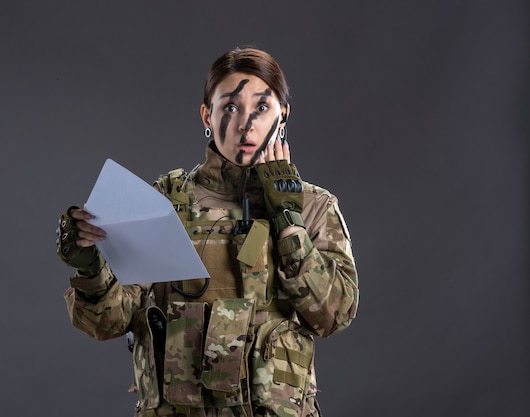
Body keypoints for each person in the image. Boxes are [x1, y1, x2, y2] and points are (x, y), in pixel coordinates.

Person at [56, 47, 359, 417]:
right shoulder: (163, 201)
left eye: (261, 108)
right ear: (207, 115)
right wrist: (90, 267)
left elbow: (333, 316)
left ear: (283, 116)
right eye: (230, 107)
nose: (245, 124)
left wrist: (288, 222)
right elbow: (109, 322)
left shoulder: (313, 205)